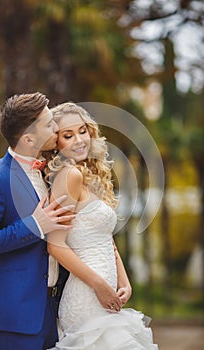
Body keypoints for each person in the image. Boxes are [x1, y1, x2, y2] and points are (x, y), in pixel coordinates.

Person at [45, 102, 159, 349]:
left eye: (82, 131)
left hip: (107, 295)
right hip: (87, 297)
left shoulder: (89, 175)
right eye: (68, 135)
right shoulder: (69, 176)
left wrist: (124, 282)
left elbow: (107, 240)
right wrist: (99, 286)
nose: (78, 140)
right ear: (56, 142)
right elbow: (55, 246)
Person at [0, 92, 77, 350]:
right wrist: (35, 225)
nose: (57, 128)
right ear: (29, 138)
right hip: (14, 317)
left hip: (49, 312)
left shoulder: (51, 174)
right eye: (50, 124)